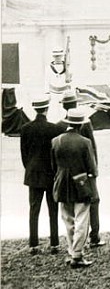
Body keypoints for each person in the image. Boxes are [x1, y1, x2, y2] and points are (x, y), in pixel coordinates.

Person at [51, 108, 98, 268]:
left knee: (67, 219)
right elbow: (92, 168)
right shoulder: (85, 142)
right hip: (80, 183)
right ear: (80, 125)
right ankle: (77, 254)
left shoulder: (56, 141)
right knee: (82, 219)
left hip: (62, 183)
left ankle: (72, 251)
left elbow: (53, 166)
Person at [57, 92, 104, 248]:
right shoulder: (85, 123)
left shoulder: (59, 125)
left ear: (63, 106)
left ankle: (74, 242)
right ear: (76, 104)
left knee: (69, 207)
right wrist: (94, 170)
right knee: (93, 201)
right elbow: (93, 148)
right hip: (85, 171)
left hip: (65, 173)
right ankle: (94, 236)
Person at [20, 95, 64, 255]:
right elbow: (57, 154)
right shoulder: (55, 129)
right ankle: (54, 244)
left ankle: (33, 244)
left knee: (34, 209)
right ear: (47, 109)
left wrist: (30, 168)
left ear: (35, 109)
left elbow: (24, 155)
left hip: (33, 173)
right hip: (51, 173)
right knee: (53, 209)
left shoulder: (25, 129)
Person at [45, 47, 71, 123]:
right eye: (56, 56)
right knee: (53, 110)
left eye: (59, 56)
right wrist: (47, 93)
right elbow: (46, 80)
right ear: (53, 57)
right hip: (53, 92)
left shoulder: (67, 67)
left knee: (64, 110)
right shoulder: (48, 68)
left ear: (62, 56)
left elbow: (70, 80)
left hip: (64, 92)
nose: (58, 58)